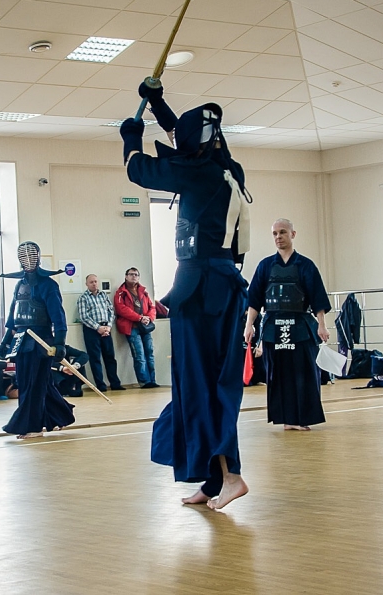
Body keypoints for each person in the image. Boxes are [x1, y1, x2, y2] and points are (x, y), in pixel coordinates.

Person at [119, 79, 252, 510]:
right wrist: (157, 104)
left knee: (201, 385)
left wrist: (131, 137)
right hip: (221, 285)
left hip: (202, 288)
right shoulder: (226, 169)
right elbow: (185, 140)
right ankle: (213, 480)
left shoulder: (198, 174)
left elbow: (139, 170)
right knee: (204, 383)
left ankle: (230, 476)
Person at [245, 219, 331, 432]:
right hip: (273, 328)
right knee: (277, 375)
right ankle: (286, 419)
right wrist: (249, 326)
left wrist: (322, 325)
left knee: (304, 373)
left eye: (282, 232)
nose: (278, 237)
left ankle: (302, 417)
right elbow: (254, 300)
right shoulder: (265, 266)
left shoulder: (306, 265)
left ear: (293, 234)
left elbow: (318, 298)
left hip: (300, 327)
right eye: (274, 233)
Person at [0, 241, 75, 439]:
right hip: (22, 341)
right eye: (23, 256)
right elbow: (13, 317)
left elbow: (58, 317)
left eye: (31, 255)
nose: (27, 259)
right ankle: (60, 415)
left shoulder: (48, 285)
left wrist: (59, 343)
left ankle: (32, 426)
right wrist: (5, 341)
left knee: (34, 383)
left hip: (41, 342)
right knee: (35, 383)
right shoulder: (19, 285)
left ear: (38, 258)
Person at [76, 274, 124, 392]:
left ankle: (115, 384)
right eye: (91, 282)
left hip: (106, 329)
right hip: (91, 330)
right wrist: (98, 328)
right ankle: (101, 385)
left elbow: (111, 311)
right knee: (95, 358)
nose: (94, 284)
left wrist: (108, 327)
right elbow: (83, 317)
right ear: (86, 284)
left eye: (95, 281)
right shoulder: (83, 298)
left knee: (110, 357)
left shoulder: (104, 295)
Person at [114, 267, 159, 388]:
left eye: (136, 274)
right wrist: (139, 318)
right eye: (131, 274)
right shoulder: (121, 292)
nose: (134, 276)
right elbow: (121, 309)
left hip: (145, 327)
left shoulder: (143, 291)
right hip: (132, 328)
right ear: (126, 276)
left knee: (149, 353)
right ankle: (144, 381)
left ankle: (152, 380)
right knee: (139, 355)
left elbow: (152, 307)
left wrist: (148, 318)